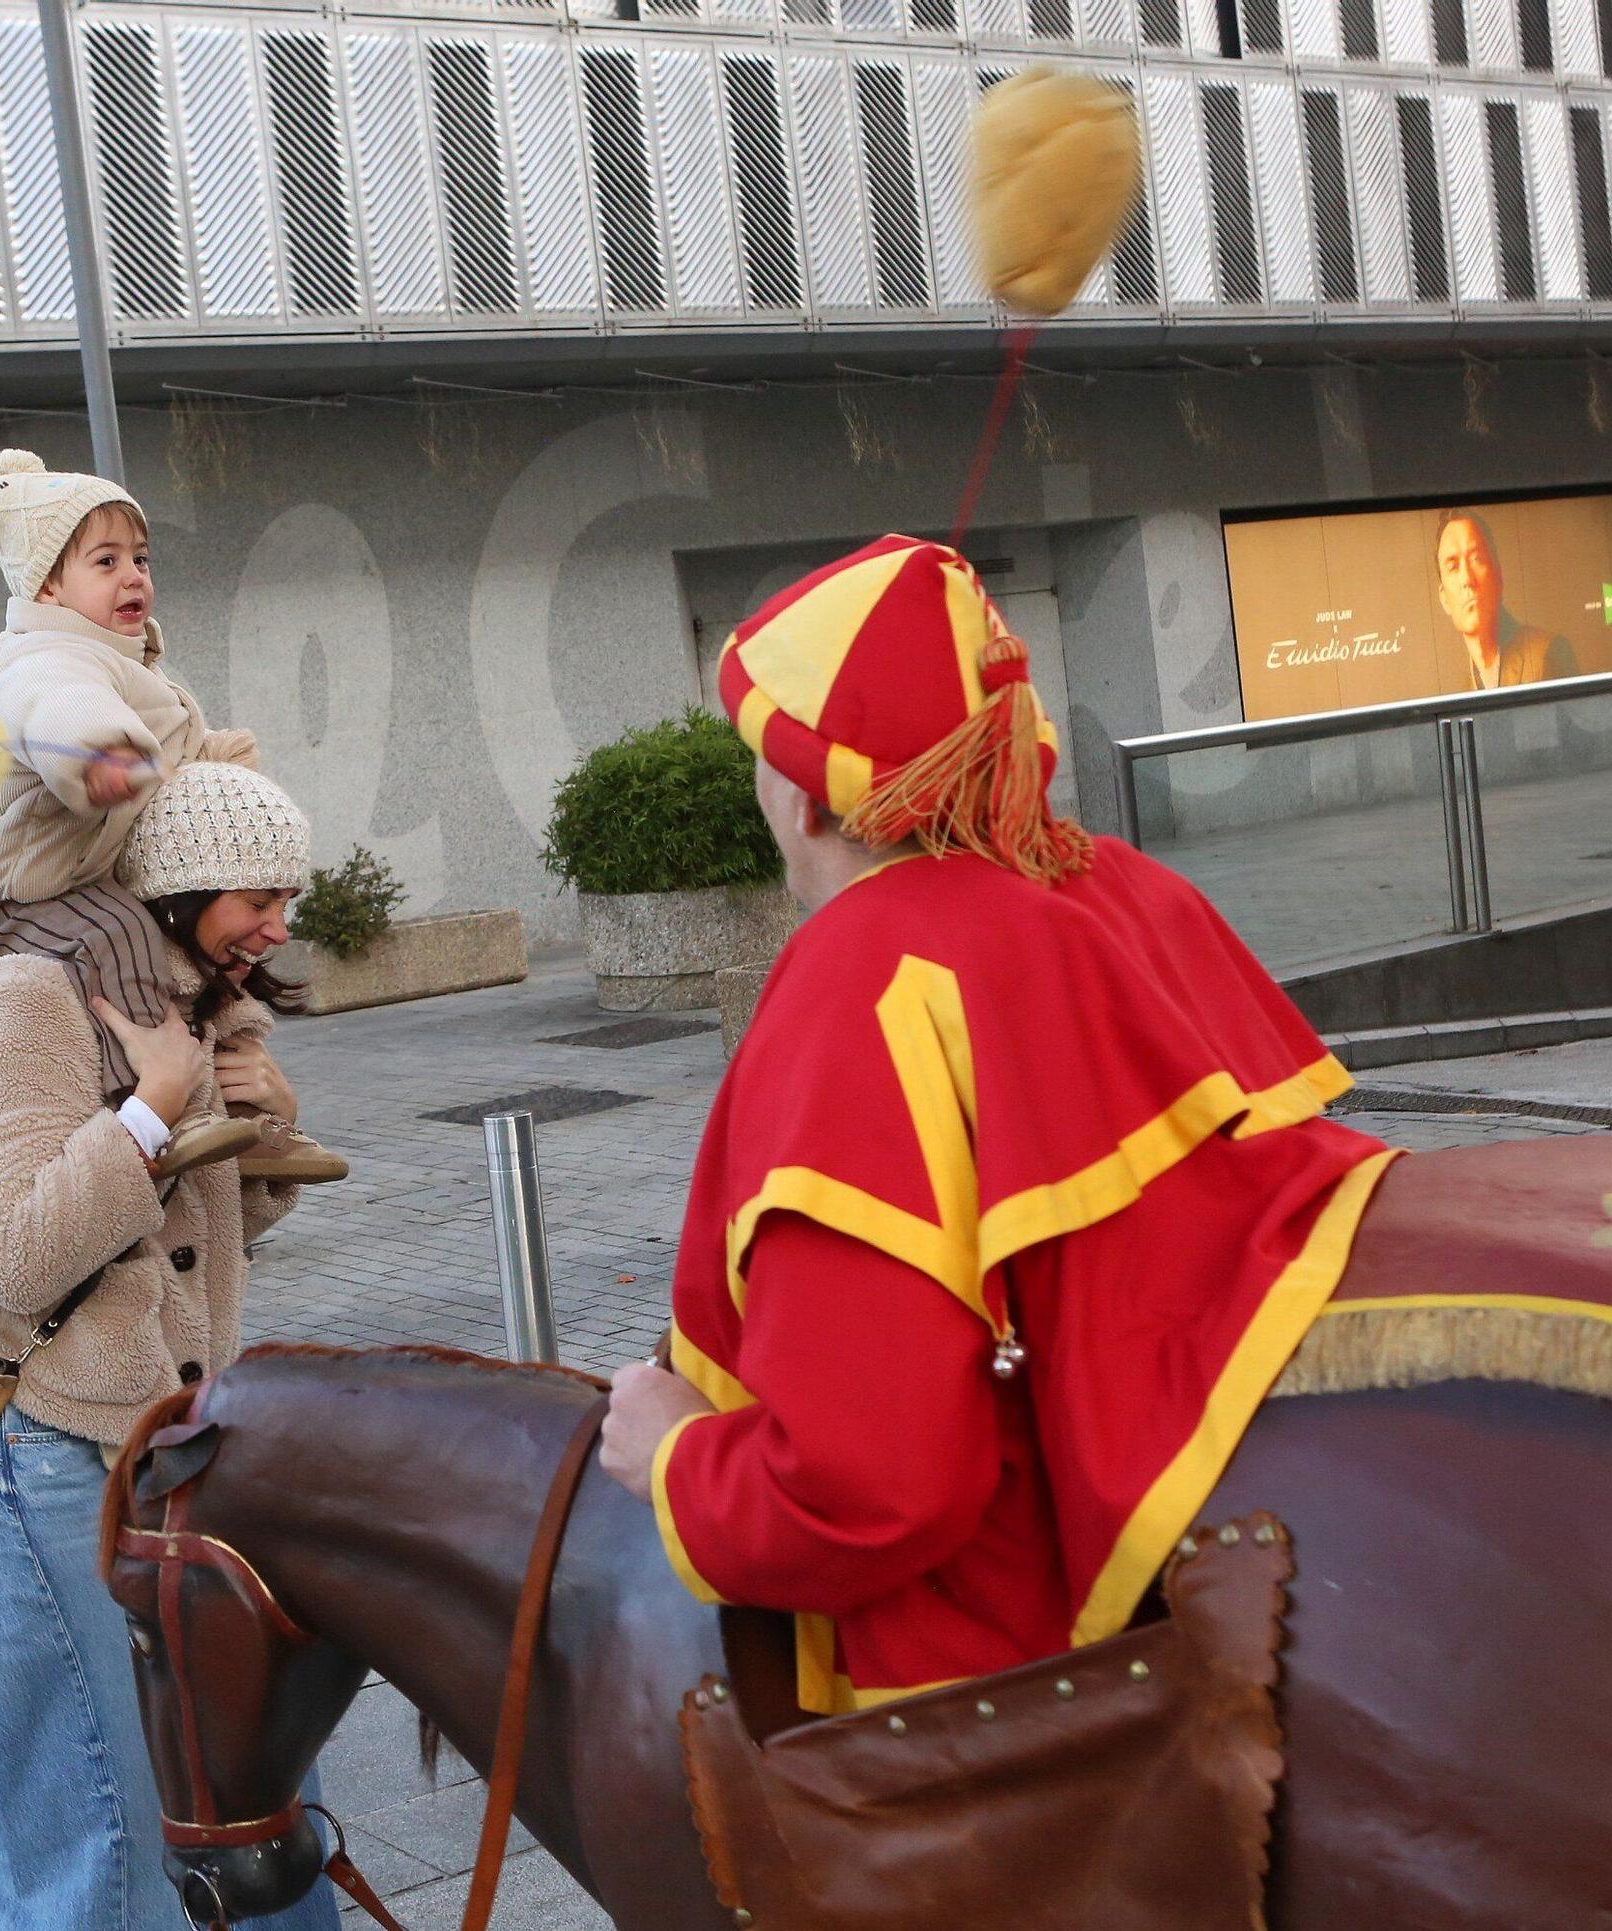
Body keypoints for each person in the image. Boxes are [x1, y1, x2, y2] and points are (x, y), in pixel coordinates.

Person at [599, 535, 1399, 1715]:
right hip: (1255, 1521)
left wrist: (674, 1457)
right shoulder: (1118, 885)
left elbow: (871, 1486)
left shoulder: (864, 978)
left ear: (806, 793)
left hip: (1012, 1661)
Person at [0, 757, 340, 1931]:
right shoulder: (29, 1001)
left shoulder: (183, 1009)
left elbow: (192, 1243)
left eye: (285, 896)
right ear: (176, 883)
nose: (276, 922)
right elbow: (14, 1248)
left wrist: (258, 1129)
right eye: (255, 892)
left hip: (166, 1449)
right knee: (95, 1839)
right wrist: (150, 1109)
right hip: (40, 1454)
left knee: (242, 1804)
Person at [0, 447, 345, 1188]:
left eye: (141, 558)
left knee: (202, 973)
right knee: (121, 937)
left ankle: (255, 1121)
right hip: (13, 893)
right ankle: (159, 1106)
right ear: (48, 584)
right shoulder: (39, 657)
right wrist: (100, 755)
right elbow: (58, 711)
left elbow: (178, 751)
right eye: (106, 561)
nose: (133, 576)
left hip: (77, 881)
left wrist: (223, 762)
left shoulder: (137, 671)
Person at [1434, 508, 1578, 691]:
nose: (1467, 579)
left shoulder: (1548, 654)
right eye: (1453, 567)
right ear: (1444, 599)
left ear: (1498, 574)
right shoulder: (1463, 693)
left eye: (1476, 558)